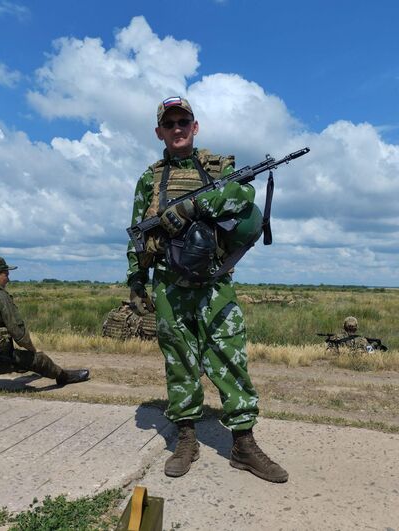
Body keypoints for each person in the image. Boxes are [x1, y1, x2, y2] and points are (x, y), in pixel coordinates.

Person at [126, 96, 288, 483]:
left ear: (194, 127)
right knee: (180, 362)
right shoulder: (150, 179)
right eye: (170, 124)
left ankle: (243, 445)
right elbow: (137, 233)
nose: (177, 128)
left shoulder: (218, 167)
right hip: (169, 284)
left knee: (231, 358)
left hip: (214, 282)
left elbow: (243, 197)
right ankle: (186, 439)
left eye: (183, 122)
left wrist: (194, 207)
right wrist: (136, 280)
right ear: (159, 132)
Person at [0, 257, 89, 385]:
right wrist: (32, 350)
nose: (8, 279)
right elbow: (18, 332)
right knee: (40, 360)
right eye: (6, 275)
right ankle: (63, 376)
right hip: (2, 358)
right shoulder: (1, 296)